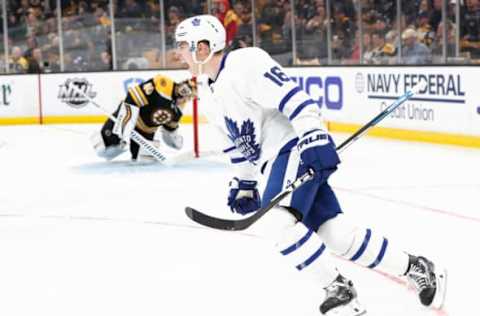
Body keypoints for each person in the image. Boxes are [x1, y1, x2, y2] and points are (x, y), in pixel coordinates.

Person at [175, 15, 447, 315]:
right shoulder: (208, 91)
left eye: (183, 46)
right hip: (273, 163)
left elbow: (294, 97)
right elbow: (236, 145)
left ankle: (339, 289)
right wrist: (245, 182)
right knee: (337, 235)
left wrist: (314, 136)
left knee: (276, 223)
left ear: (203, 47)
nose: (178, 53)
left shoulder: (243, 64)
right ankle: (416, 268)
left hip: (293, 149)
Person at [91, 75, 196, 161]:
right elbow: (132, 97)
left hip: (145, 133)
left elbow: (169, 131)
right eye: (185, 89)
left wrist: (175, 142)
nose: (184, 94)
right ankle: (115, 142)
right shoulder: (164, 83)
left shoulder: (178, 110)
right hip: (127, 118)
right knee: (103, 150)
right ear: (182, 83)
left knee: (145, 164)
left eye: (188, 94)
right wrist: (126, 123)